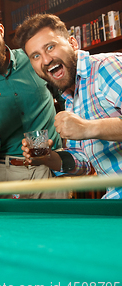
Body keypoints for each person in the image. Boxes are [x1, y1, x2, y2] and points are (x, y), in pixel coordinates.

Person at [0, 3, 67, 199]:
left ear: (0, 30)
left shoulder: (33, 58)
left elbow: (67, 98)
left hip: (50, 169)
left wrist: (71, 153)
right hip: (5, 175)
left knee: (58, 229)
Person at [14, 14, 122, 199]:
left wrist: (88, 128)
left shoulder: (107, 67)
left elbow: (87, 130)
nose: (46, 60)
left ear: (73, 43)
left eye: (50, 47)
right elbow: (84, 164)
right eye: (36, 56)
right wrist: (47, 158)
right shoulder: (71, 99)